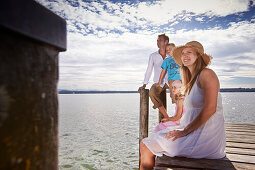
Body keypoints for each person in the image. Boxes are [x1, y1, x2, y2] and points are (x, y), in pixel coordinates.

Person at [140, 41, 226, 170]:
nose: (185, 55)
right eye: (183, 53)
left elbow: (210, 108)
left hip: (205, 138)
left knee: (145, 145)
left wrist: (184, 132)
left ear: (198, 55)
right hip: (194, 132)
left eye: (189, 52)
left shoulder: (207, 74)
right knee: (157, 135)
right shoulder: (190, 79)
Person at [138, 34, 169, 115]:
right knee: (152, 93)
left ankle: (180, 115)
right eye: (157, 40)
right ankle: (166, 116)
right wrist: (144, 84)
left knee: (180, 93)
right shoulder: (153, 56)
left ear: (166, 42)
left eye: (160, 40)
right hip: (158, 83)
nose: (158, 42)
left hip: (171, 82)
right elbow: (149, 70)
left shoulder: (171, 54)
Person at [155, 43, 181, 118]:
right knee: (174, 95)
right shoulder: (167, 60)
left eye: (170, 48)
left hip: (182, 79)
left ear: (175, 49)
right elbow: (163, 72)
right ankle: (177, 112)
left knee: (183, 96)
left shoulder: (180, 57)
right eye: (166, 50)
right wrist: (159, 82)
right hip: (172, 80)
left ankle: (183, 112)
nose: (168, 50)